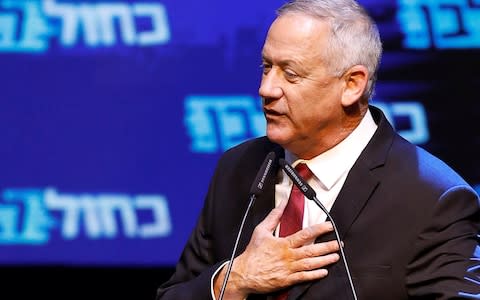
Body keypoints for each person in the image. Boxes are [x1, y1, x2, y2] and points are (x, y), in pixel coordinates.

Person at [157, 0, 480, 299]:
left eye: (291, 74)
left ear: (352, 84)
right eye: (266, 67)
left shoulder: (433, 197)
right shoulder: (237, 168)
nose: (266, 89)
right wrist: (235, 278)